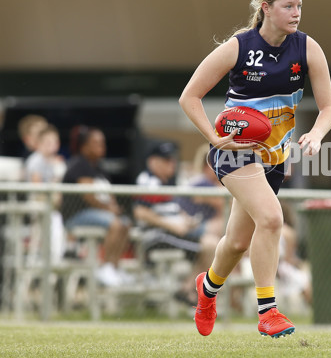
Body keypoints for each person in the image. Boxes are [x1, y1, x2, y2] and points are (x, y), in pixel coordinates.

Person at [179, 0, 331, 338]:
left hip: (275, 159)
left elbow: (329, 108)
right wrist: (215, 139)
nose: (296, 13)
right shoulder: (238, 47)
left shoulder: (308, 48)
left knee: (236, 242)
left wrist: (315, 133)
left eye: (299, 6)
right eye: (288, 6)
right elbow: (189, 97)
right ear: (265, 7)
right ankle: (268, 311)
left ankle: (207, 289)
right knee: (271, 218)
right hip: (235, 153)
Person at [132, 141, 222, 304]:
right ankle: (192, 292)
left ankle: (188, 289)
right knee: (211, 246)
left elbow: (170, 209)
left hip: (171, 234)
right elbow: (140, 211)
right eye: (166, 160)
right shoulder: (149, 181)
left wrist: (186, 221)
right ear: (153, 161)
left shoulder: (163, 181)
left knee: (211, 244)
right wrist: (172, 225)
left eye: (172, 159)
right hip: (158, 236)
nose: (172, 163)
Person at [61, 125, 132, 287]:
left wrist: (114, 208)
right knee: (115, 223)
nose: (102, 147)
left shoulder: (99, 168)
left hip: (99, 214)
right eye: (97, 143)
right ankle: (105, 266)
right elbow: (89, 196)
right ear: (84, 146)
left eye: (102, 143)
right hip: (76, 215)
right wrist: (109, 209)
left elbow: (109, 195)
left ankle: (114, 267)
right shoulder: (79, 165)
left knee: (126, 222)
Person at [24, 124, 66, 264]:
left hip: (55, 210)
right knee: (49, 229)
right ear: (39, 144)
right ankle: (48, 263)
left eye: (53, 142)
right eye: (46, 142)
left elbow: (60, 190)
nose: (50, 146)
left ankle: (56, 262)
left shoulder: (59, 163)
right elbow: (38, 189)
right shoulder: (35, 161)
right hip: (39, 208)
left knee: (57, 228)